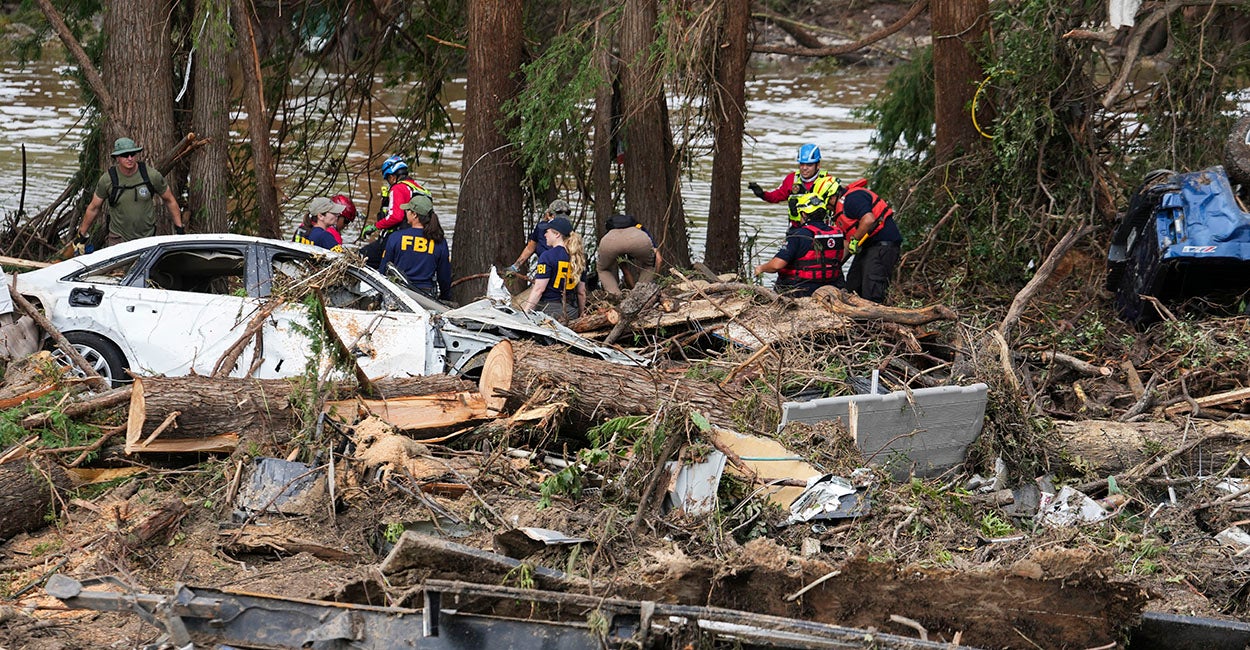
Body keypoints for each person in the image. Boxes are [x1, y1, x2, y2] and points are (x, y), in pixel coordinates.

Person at [74, 137, 185, 252]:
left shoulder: (151, 175)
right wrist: (81, 235)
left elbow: (170, 200)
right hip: (118, 239)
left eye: (132, 154)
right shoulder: (108, 180)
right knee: (119, 264)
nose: (130, 158)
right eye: (125, 155)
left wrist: (179, 229)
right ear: (117, 157)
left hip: (147, 238)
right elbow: (94, 207)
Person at [753, 193, 844, 297]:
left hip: (802, 289)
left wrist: (761, 268)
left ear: (804, 214)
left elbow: (776, 265)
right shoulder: (837, 233)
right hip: (832, 287)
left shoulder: (799, 235)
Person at [831, 178, 902, 303]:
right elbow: (847, 244)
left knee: (872, 292)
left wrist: (855, 239)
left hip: (883, 246)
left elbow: (869, 220)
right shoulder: (842, 209)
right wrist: (834, 266)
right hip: (867, 247)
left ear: (832, 197)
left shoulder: (853, 198)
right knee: (852, 287)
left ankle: (876, 315)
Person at [362, 155, 432, 268]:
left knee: (361, 257)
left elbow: (396, 216)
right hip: (421, 240)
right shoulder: (421, 189)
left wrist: (375, 226)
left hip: (398, 238)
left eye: (388, 179)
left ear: (392, 177)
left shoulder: (398, 188)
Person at [380, 194, 452, 301]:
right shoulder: (439, 241)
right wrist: (445, 298)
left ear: (414, 215)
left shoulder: (395, 237)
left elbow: (383, 270)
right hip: (426, 297)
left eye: (408, 210)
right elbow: (444, 277)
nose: (405, 212)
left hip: (399, 293)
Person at [747, 143, 839, 222]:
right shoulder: (791, 179)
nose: (804, 168)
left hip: (820, 228)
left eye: (809, 165)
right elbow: (776, 196)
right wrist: (762, 194)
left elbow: (839, 207)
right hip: (796, 229)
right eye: (802, 164)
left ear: (818, 165)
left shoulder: (828, 181)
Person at [522, 216, 586, 321]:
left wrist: (525, 313)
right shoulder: (578, 258)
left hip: (549, 311)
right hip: (571, 311)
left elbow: (539, 289)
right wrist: (581, 314)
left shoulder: (547, 256)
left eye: (547, 232)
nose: (545, 235)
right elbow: (581, 292)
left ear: (557, 234)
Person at [596, 213, 662, 294]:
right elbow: (659, 259)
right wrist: (654, 278)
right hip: (638, 239)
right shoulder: (640, 228)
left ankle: (615, 295)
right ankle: (642, 293)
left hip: (610, 242)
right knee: (650, 265)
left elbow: (626, 272)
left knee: (603, 269)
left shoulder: (609, 232)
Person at [507, 199, 571, 276]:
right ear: (549, 216)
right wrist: (515, 266)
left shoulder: (569, 232)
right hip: (543, 270)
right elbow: (530, 248)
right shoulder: (541, 228)